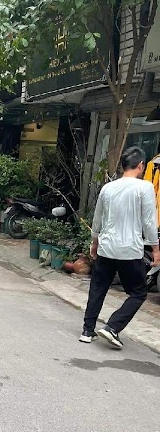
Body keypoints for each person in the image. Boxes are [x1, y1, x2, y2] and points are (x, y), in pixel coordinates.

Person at [80, 146, 160, 349]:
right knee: (138, 292)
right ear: (140, 165)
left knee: (98, 288)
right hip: (129, 250)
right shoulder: (144, 188)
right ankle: (113, 327)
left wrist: (95, 242)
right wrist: (156, 249)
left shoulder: (108, 188)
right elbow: (149, 222)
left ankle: (87, 331)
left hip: (106, 247)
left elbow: (98, 218)